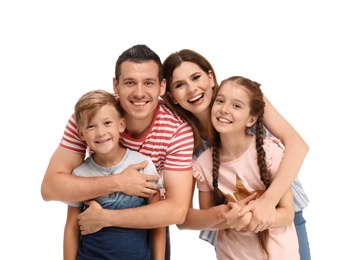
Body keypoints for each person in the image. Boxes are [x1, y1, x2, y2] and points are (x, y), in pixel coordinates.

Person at [41, 44, 195, 260]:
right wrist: (119, 182)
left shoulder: (177, 131)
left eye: (148, 83)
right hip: (93, 233)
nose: (139, 92)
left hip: (144, 225)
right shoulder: (90, 118)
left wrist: (106, 218)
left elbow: (175, 211)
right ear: (116, 85)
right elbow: (50, 189)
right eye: (130, 82)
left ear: (161, 87)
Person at [162, 49, 310, 259]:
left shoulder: (243, 95)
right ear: (172, 96)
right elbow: (185, 217)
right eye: (179, 85)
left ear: (210, 77)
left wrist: (267, 202)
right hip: (233, 235)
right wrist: (229, 216)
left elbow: (297, 145)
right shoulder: (185, 141)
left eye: (196, 77)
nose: (192, 89)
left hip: (280, 214)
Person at [188, 75, 299, 259]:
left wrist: (245, 219)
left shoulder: (269, 151)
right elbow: (207, 218)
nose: (224, 109)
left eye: (236, 105)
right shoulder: (203, 165)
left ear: (251, 119)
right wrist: (226, 218)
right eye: (220, 101)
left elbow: (287, 214)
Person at [63, 89, 165, 260]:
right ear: (81, 134)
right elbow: (71, 228)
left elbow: (157, 223)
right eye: (91, 126)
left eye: (107, 123)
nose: (100, 132)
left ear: (121, 125)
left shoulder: (143, 166)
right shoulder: (79, 174)